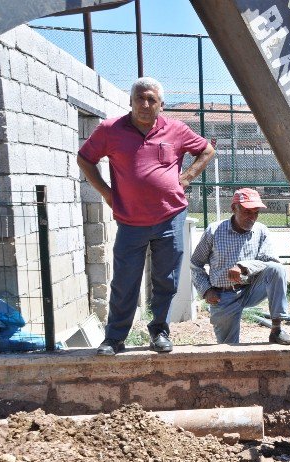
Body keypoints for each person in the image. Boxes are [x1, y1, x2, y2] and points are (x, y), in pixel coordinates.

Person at [78, 76, 215, 356]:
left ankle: (159, 332)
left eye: (151, 99)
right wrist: (106, 192)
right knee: (125, 281)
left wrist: (187, 176)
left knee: (166, 279)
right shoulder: (110, 130)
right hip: (130, 221)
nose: (144, 103)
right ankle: (114, 338)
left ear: (161, 105)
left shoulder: (176, 129)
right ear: (130, 101)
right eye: (139, 98)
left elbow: (207, 150)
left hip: (171, 216)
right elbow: (85, 158)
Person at [189, 188, 290, 345]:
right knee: (228, 348)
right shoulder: (214, 231)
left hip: (251, 289)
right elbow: (195, 264)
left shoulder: (261, 231)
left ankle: (277, 329)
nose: (252, 217)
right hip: (223, 296)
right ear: (233, 208)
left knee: (276, 269)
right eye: (247, 212)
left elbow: (269, 260)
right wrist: (206, 290)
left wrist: (244, 266)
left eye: (256, 213)